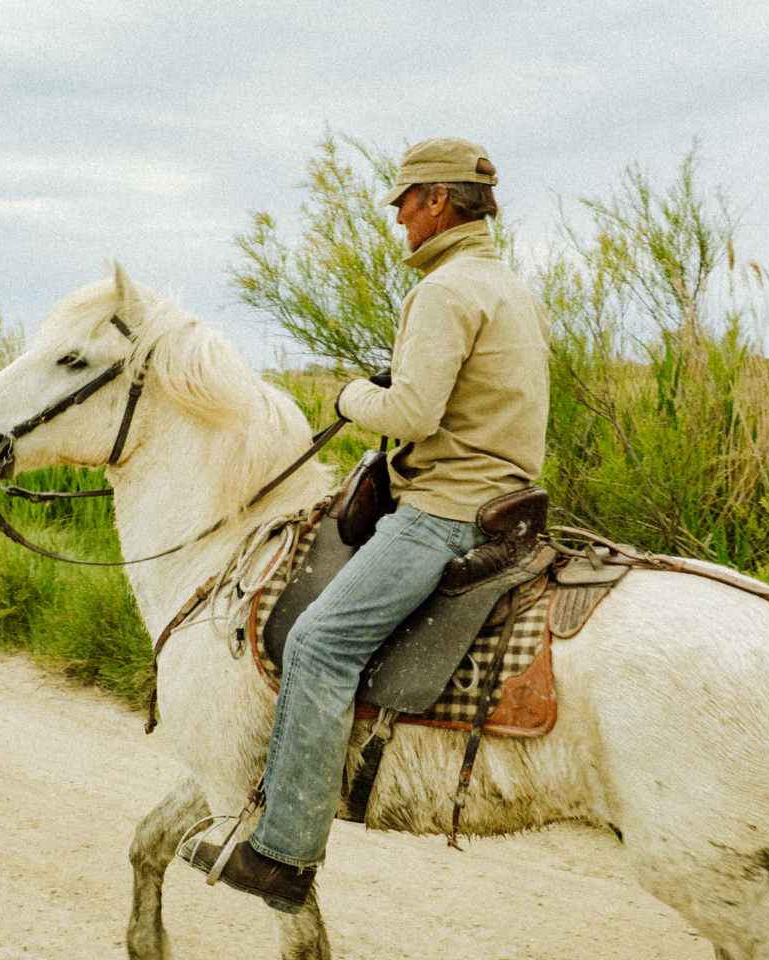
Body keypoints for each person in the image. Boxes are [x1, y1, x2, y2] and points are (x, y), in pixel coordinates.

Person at [182, 137, 551, 913]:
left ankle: (282, 854)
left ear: (439, 202)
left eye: (404, 202)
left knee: (319, 643)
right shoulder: (507, 285)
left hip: (448, 511)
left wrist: (352, 397)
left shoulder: (446, 291)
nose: (398, 219)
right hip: (506, 495)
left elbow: (412, 414)